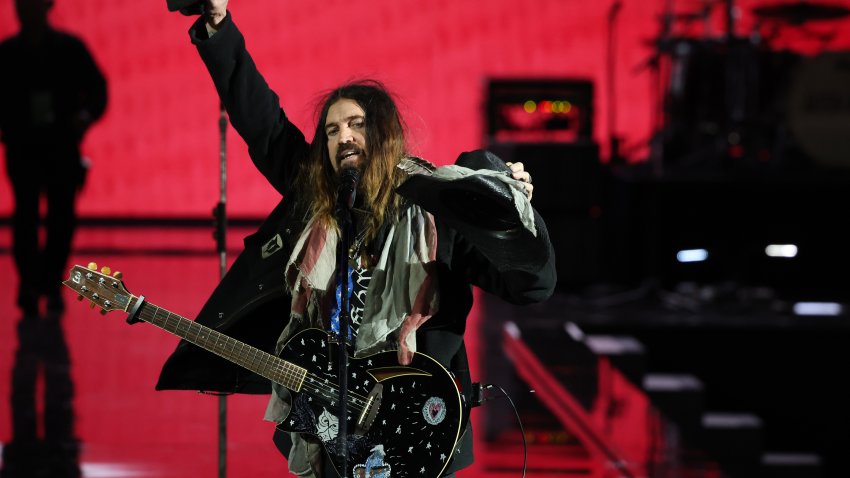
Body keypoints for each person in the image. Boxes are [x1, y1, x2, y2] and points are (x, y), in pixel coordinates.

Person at [155, 1, 556, 477]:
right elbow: (263, 124)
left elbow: (531, 286)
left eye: (356, 124)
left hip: (417, 430)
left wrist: (513, 219)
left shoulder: (437, 211)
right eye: (331, 130)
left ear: (385, 133)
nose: (342, 136)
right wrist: (219, 25)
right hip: (330, 422)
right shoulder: (315, 202)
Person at [0, 0, 108, 318]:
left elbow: (98, 89)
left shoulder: (68, 49)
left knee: (60, 219)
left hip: (60, 148)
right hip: (24, 148)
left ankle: (46, 283)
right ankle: (33, 284)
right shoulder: (8, 54)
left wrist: (85, 116)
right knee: (26, 218)